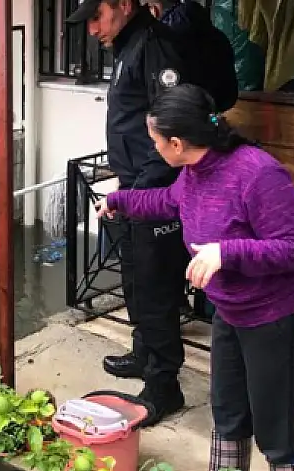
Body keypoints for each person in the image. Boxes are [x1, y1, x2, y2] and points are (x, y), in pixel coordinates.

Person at [95, 84, 294, 471]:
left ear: (177, 143)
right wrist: (122, 203)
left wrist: (226, 252)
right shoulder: (194, 172)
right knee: (229, 414)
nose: (152, 147)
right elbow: (169, 203)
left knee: (276, 430)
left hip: (277, 318)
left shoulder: (258, 175)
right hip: (232, 314)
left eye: (156, 140)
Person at [66, 0, 237, 421]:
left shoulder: (154, 47)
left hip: (155, 193)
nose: (91, 29)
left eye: (96, 16)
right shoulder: (129, 46)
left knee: (156, 291)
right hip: (134, 190)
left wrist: (141, 191)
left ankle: (163, 387)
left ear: (124, 5)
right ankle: (145, 355)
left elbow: (172, 130)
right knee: (137, 284)